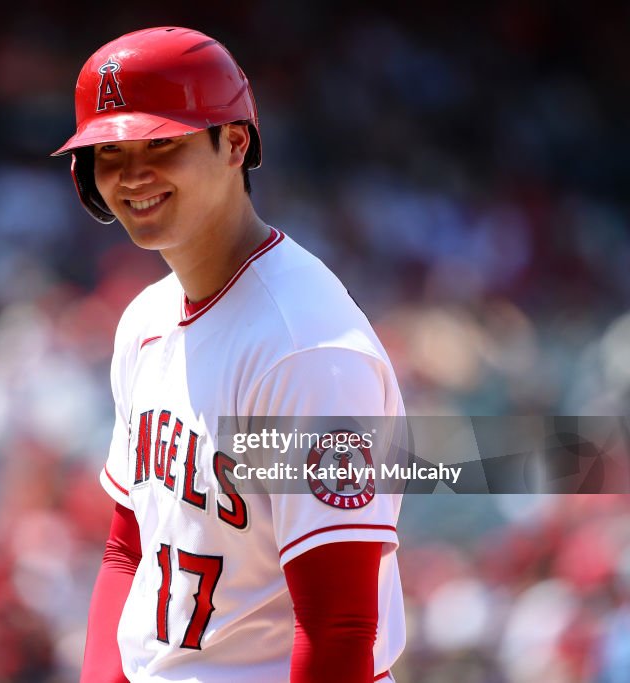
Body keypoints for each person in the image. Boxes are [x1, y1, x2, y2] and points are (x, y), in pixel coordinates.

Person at [53, 27, 405, 682]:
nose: (133, 174)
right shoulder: (145, 321)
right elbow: (129, 547)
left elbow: (340, 627)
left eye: (162, 142)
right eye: (110, 152)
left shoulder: (304, 348)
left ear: (234, 142)